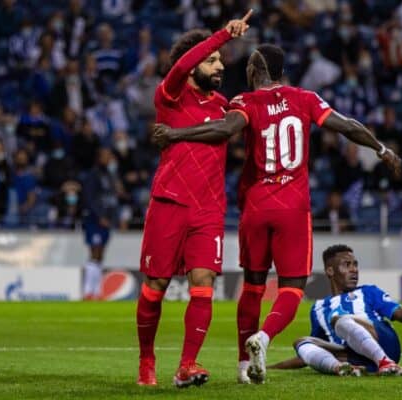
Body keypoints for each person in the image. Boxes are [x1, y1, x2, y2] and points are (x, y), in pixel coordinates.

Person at [152, 43, 402, 385]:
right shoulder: (306, 99)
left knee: (253, 286)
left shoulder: (245, 102)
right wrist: (381, 148)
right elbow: (347, 126)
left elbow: (224, 130)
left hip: (255, 207)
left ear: (255, 69)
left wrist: (175, 134)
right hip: (293, 208)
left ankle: (244, 365)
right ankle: (265, 338)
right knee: (292, 288)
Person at [135, 12, 252, 389]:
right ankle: (146, 359)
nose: (219, 66)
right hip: (169, 203)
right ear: (191, 67)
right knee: (154, 287)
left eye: (220, 60)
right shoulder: (170, 94)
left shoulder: (222, 105)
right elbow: (183, 62)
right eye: (212, 60)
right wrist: (222, 35)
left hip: (208, 210)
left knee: (204, 284)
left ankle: (187, 365)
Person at [268, 244, 402, 376]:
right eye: (347, 265)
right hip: (354, 355)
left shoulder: (369, 291)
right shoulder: (318, 308)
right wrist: (272, 368)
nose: (354, 270)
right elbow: (310, 354)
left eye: (355, 264)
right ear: (330, 271)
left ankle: (386, 362)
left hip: (384, 344)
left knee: (339, 320)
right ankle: (342, 369)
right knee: (302, 342)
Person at [81, 147, 124, 299]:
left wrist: (114, 218)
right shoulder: (93, 175)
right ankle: (87, 291)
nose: (109, 159)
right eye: (106, 156)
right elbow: (89, 198)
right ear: (99, 158)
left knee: (101, 254)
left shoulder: (110, 176)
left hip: (106, 220)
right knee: (94, 252)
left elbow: (113, 199)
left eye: (110, 155)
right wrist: (99, 216)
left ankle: (97, 291)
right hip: (94, 220)